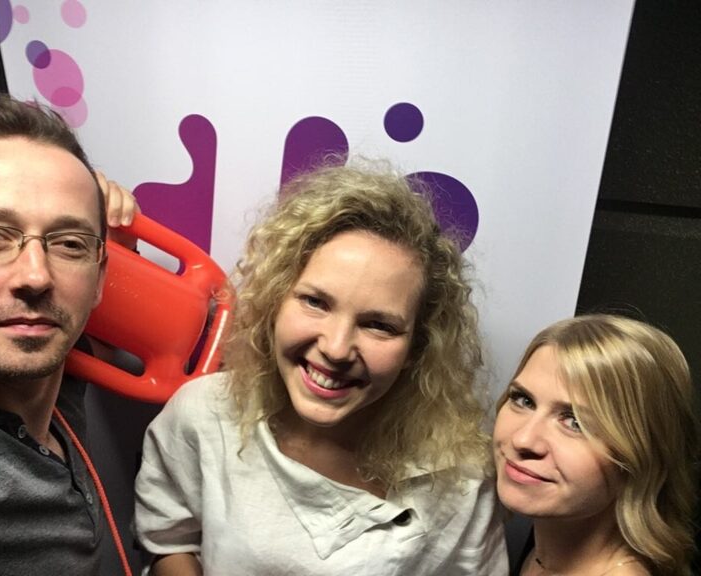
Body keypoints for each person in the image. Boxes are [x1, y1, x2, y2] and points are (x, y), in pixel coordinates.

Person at [134, 162, 508, 575]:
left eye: (378, 325)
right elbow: (170, 540)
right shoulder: (204, 413)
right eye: (315, 302)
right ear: (276, 300)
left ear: (417, 346)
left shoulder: (458, 478)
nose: (336, 348)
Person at [0, 93, 139, 574]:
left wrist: (106, 223)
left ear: (99, 279)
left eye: (69, 243)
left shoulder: (49, 370)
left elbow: (98, 343)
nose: (35, 276)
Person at [493, 314, 700, 576]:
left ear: (640, 457)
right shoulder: (548, 551)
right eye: (523, 400)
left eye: (575, 422)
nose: (523, 439)